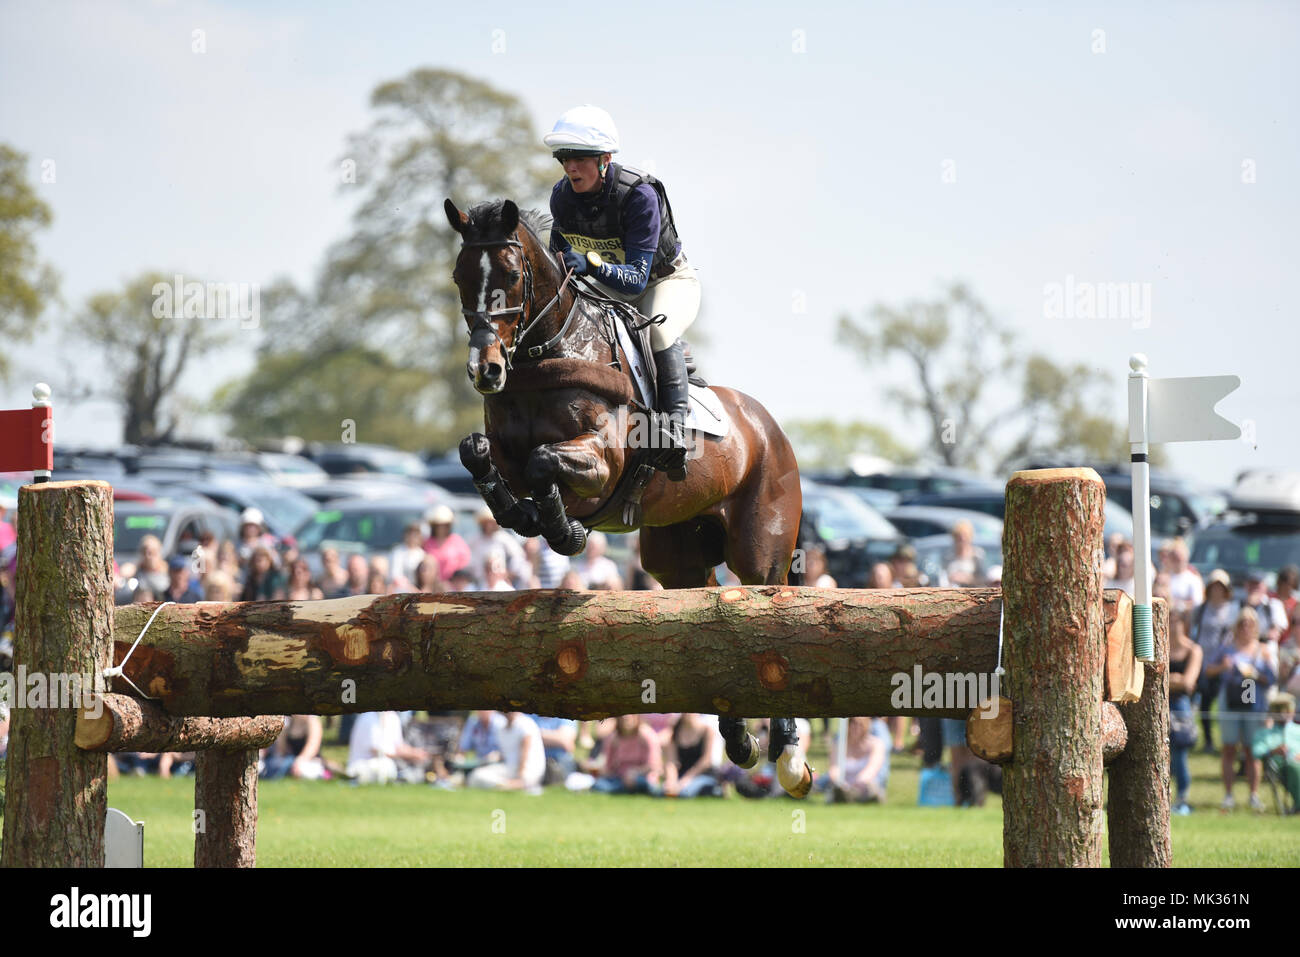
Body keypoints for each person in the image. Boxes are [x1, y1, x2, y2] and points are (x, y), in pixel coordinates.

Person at [544, 105, 699, 481]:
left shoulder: (639, 195)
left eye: (579, 158)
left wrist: (591, 264)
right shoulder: (561, 198)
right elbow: (559, 267)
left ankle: (675, 433)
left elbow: (635, 281)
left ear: (605, 160)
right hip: (608, 287)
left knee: (658, 331)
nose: (570, 167)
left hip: (663, 283)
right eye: (563, 157)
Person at [1206, 608, 1277, 812]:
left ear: (1255, 627)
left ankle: (1253, 795)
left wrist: (1256, 674)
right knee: (1229, 748)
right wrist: (1223, 667)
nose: (1245, 627)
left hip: (1254, 704)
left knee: (1251, 750)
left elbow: (1271, 678)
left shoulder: (1262, 650)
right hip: (1229, 702)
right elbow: (1208, 670)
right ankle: (1228, 795)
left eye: (1250, 623)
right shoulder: (1226, 649)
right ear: (1236, 626)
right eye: (1242, 623)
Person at [1192, 569, 1239, 752]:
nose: (1217, 590)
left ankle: (1229, 742)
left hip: (1223, 663)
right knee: (1204, 704)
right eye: (1214, 586)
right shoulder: (1201, 608)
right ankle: (1208, 740)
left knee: (1225, 702)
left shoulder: (1232, 608)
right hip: (1203, 661)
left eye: (1220, 587)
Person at [1168, 610, 1203, 814]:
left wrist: (1169, 679)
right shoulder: (1159, 646)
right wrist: (1176, 680)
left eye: (1176, 621)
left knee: (1179, 752)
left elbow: (1189, 683)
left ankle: (1182, 797)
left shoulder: (1193, 650)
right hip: (1161, 703)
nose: (1173, 625)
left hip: (1181, 705)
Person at [466, 711, 545, 792]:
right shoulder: (502, 728)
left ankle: (515, 785)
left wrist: (520, 777)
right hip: (510, 770)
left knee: (479, 777)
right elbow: (507, 753)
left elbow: (525, 754)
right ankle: (509, 785)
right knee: (476, 776)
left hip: (528, 771)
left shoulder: (525, 724)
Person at [347, 711, 430, 784]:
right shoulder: (368, 717)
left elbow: (399, 746)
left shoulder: (392, 716)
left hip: (387, 763)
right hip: (362, 764)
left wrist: (416, 753)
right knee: (386, 765)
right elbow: (376, 750)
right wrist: (410, 755)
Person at [592, 714, 663, 795]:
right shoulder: (613, 738)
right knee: (600, 785)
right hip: (619, 778)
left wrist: (635, 772)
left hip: (643, 777)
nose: (626, 717)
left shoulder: (647, 736)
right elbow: (608, 767)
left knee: (641, 783)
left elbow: (654, 765)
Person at [826, 717, 890, 804]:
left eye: (860, 724)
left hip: (865, 785)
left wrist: (857, 783)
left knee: (870, 788)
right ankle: (845, 795)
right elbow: (834, 768)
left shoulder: (876, 744)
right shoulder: (839, 744)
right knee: (836, 787)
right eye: (853, 723)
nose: (856, 727)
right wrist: (839, 782)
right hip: (843, 785)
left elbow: (872, 769)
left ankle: (856, 797)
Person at [662, 713, 722, 797]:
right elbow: (672, 761)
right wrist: (671, 781)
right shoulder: (675, 731)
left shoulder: (707, 731)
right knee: (662, 792)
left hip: (703, 774)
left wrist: (685, 780)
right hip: (681, 775)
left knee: (684, 793)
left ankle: (716, 790)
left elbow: (706, 761)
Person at [262, 715, 325, 780]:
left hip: (310, 760)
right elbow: (281, 750)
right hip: (290, 760)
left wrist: (299, 761)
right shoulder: (288, 722)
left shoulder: (312, 721)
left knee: (303, 770)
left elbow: (313, 746)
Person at [423, 505, 470, 583]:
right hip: (432, 585)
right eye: (438, 525)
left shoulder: (456, 540)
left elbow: (465, 561)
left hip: (454, 585)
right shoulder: (427, 542)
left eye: (445, 525)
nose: (441, 528)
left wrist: (455, 579)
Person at [944, 520, 987, 587]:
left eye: (965, 536)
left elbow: (983, 579)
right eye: (959, 537)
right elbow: (944, 577)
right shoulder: (948, 556)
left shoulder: (977, 555)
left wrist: (967, 578)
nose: (962, 539)